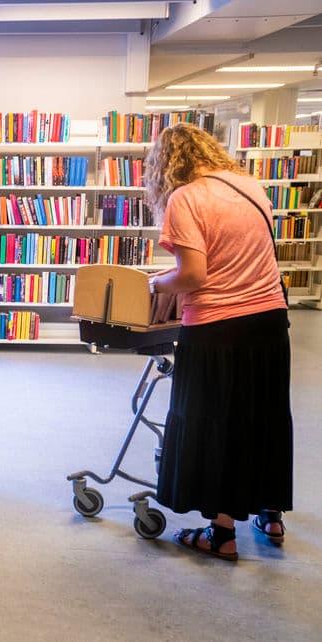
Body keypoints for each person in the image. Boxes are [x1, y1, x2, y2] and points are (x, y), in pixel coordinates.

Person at [143, 122, 293, 561]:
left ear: (166, 164)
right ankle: (271, 514)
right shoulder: (252, 187)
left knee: (216, 425)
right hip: (270, 322)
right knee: (263, 417)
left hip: (216, 328)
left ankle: (221, 533)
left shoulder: (186, 198)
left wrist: (154, 285)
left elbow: (194, 275)